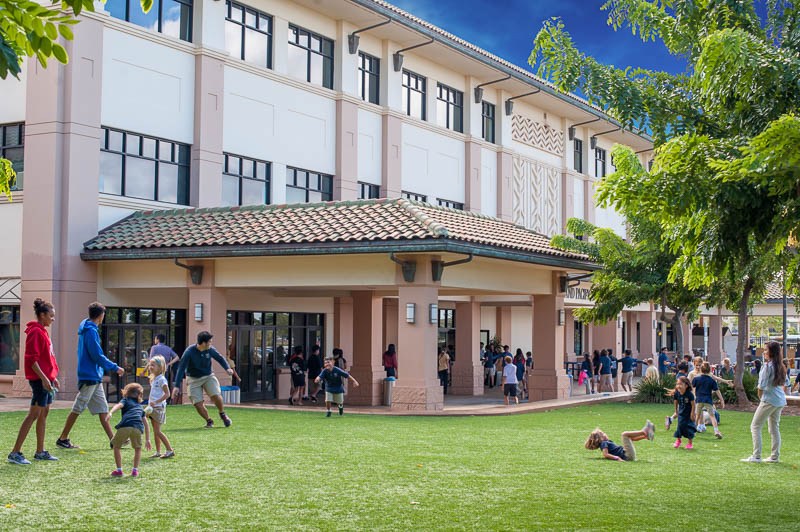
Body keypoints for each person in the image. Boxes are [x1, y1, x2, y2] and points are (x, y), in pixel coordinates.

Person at [56, 302, 125, 450]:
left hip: (94, 376)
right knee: (78, 407)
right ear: (101, 315)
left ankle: (114, 440)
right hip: (90, 376)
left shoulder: (86, 327)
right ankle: (62, 438)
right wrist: (115, 367)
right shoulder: (91, 331)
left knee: (102, 408)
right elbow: (97, 355)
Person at [8, 298, 61, 465]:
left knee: (43, 413)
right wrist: (45, 379)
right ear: (42, 315)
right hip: (40, 381)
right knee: (33, 415)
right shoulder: (35, 332)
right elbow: (31, 359)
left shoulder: (42, 331)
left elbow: (47, 358)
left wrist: (53, 378)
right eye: (51, 316)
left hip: (46, 380)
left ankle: (40, 451)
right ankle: (15, 452)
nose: (53, 319)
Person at [172, 331, 234, 428]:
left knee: (216, 395)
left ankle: (222, 414)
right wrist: (176, 386)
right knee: (197, 403)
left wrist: (227, 368)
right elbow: (181, 368)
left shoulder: (210, 349)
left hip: (208, 376)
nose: (211, 344)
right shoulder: (189, 352)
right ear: (203, 343)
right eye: (209, 342)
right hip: (193, 378)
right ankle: (209, 420)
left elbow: (220, 358)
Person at [741, 341, 787, 464]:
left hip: (769, 400)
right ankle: (774, 457)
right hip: (779, 400)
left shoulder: (767, 367)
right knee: (774, 428)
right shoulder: (780, 365)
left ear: (771, 352)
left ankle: (756, 456)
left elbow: (761, 387)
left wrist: (761, 399)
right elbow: (785, 383)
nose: (764, 352)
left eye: (766, 350)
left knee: (755, 426)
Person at [108, 383, 150, 477]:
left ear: (126, 392)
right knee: (138, 449)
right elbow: (146, 424)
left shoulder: (125, 400)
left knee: (116, 446)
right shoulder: (140, 407)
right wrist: (148, 439)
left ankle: (119, 470)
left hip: (126, 426)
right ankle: (135, 470)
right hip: (138, 428)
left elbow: (118, 406)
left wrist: (111, 412)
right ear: (140, 395)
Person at [145, 356, 174, 459]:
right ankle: (158, 452)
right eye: (150, 364)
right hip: (153, 408)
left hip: (158, 408)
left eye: (153, 365)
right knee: (155, 431)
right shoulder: (154, 379)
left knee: (158, 431)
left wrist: (155, 402)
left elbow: (167, 394)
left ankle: (169, 450)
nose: (150, 367)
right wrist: (149, 406)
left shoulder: (162, 379)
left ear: (160, 367)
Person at [585, 420, 655, 461]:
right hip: (627, 456)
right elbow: (605, 454)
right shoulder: (603, 443)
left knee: (629, 438)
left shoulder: (606, 442)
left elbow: (632, 439)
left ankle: (646, 436)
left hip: (627, 454)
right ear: (600, 439)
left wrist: (642, 438)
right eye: (602, 434)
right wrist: (617, 458)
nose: (605, 434)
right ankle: (644, 431)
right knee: (624, 434)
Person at [691, 362, 725, 439]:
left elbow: (691, 386)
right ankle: (716, 431)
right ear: (709, 371)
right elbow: (717, 390)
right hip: (708, 400)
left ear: (701, 370)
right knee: (712, 416)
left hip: (699, 400)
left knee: (697, 416)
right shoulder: (711, 380)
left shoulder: (696, 379)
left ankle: (693, 431)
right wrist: (722, 400)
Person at [672, 376, 696, 449]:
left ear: (686, 385)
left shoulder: (689, 394)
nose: (678, 386)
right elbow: (676, 402)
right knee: (679, 427)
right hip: (681, 413)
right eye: (677, 384)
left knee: (689, 428)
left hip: (688, 414)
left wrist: (692, 414)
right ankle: (678, 440)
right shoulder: (676, 393)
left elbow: (693, 404)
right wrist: (676, 412)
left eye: (681, 384)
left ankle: (690, 443)